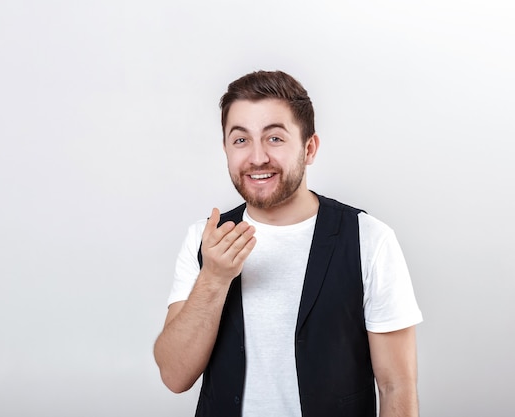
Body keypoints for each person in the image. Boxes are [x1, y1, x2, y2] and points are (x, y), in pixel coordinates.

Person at [153, 70, 423, 417]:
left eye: (275, 138)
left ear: (309, 148)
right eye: (240, 140)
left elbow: (396, 385)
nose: (257, 157)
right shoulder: (205, 238)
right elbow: (174, 376)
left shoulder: (368, 239)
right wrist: (214, 279)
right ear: (226, 149)